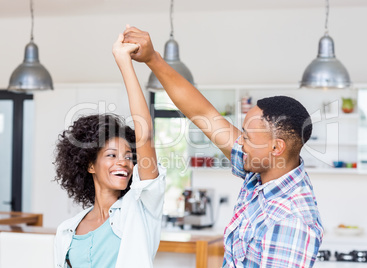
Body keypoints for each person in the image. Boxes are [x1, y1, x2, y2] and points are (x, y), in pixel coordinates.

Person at [123, 27, 324, 267]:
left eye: (248, 137)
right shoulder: (263, 173)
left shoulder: (291, 218)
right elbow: (203, 113)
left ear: (276, 148)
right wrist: (152, 58)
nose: (239, 142)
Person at [53, 28, 166, 268]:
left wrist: (125, 63)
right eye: (112, 155)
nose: (124, 162)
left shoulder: (141, 209)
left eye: (128, 156)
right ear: (90, 165)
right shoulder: (67, 231)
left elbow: (144, 135)